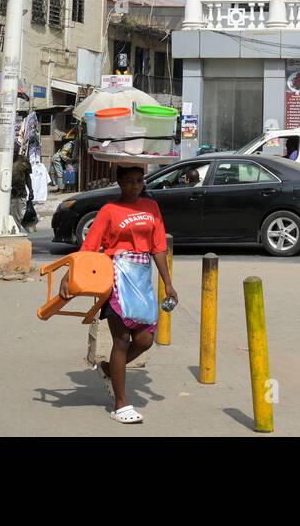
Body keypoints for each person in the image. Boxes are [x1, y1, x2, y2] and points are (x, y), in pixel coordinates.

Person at [81, 165, 177, 424]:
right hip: (116, 276)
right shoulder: (109, 210)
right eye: (129, 181)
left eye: (138, 181)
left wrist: (167, 283)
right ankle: (120, 404)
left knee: (145, 340)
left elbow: (158, 247)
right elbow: (89, 247)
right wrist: (73, 277)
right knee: (121, 340)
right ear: (119, 183)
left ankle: (110, 369)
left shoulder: (151, 208)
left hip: (142, 277)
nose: (134, 186)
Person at [10, 148, 37, 233]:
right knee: (10, 216)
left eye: (15, 150)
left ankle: (16, 232)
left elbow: (27, 176)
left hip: (20, 193)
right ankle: (13, 232)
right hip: (6, 193)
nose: (14, 152)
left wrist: (31, 190)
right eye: (12, 150)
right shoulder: (5, 160)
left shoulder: (24, 160)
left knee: (19, 216)